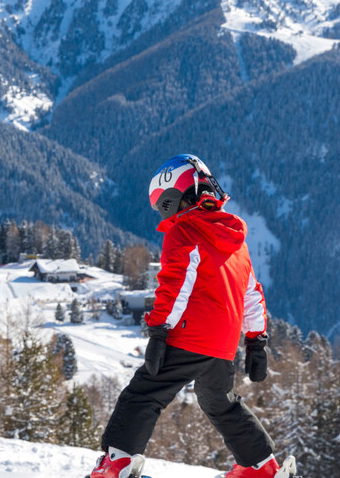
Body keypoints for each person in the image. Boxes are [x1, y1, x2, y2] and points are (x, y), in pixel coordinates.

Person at [90, 155, 296, 478]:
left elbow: (175, 285)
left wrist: (159, 332)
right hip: (223, 347)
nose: (163, 214)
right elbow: (252, 294)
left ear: (173, 199)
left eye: (162, 207)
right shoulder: (236, 241)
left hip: (189, 336)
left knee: (143, 394)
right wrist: (256, 342)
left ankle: (117, 463)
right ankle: (260, 466)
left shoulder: (183, 231)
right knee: (219, 402)